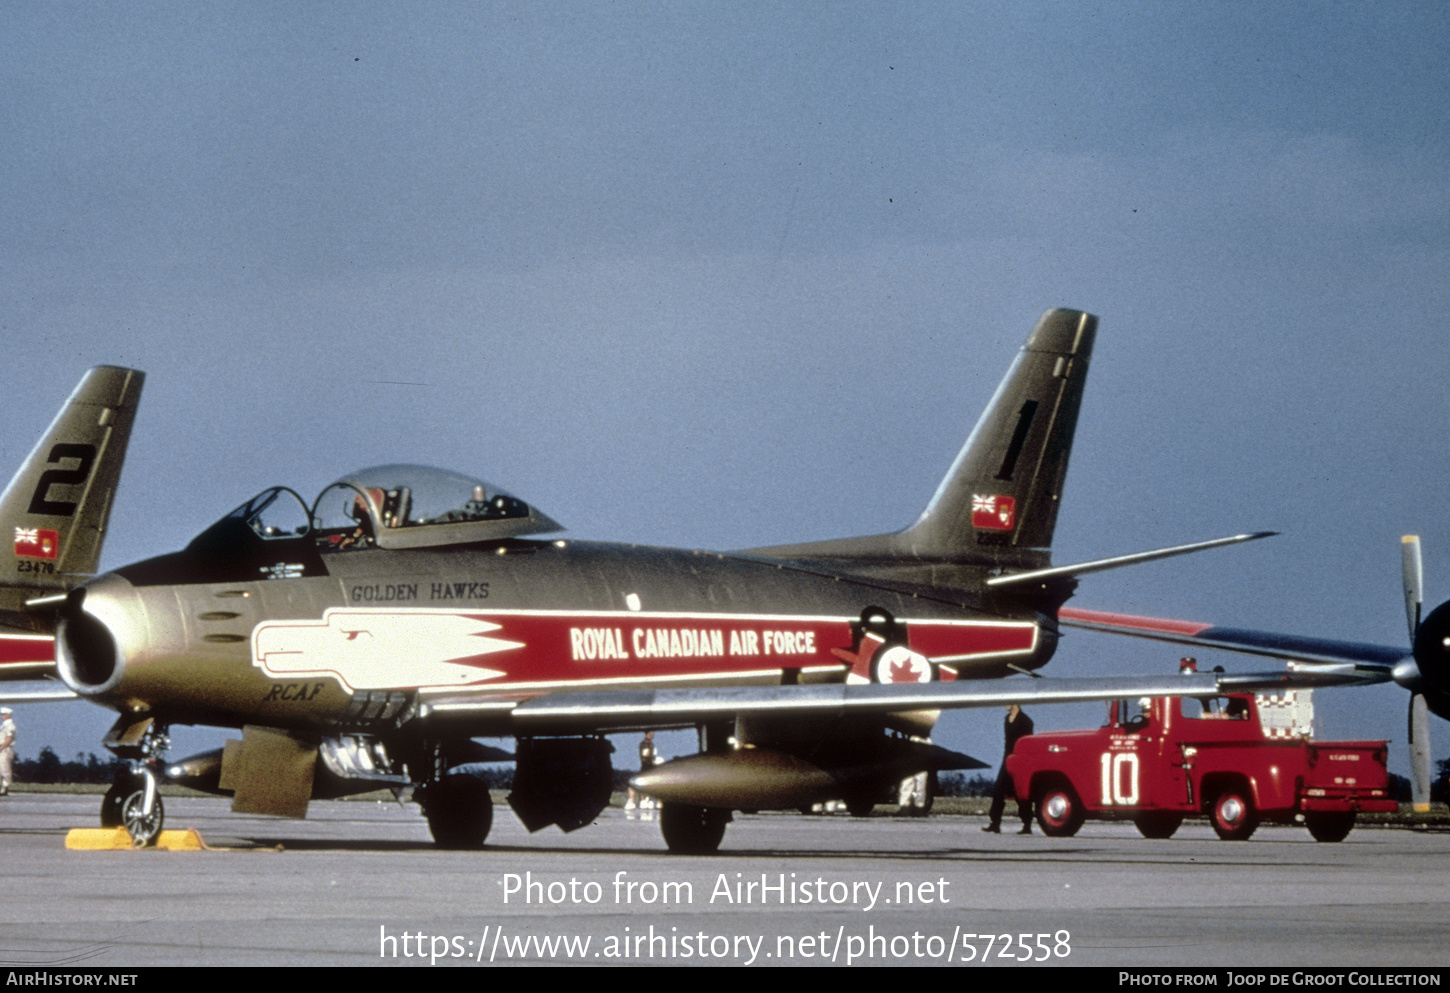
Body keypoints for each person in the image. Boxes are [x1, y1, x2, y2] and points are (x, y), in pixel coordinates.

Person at [984, 704, 1034, 834]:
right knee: (998, 790)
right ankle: (995, 823)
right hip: (1007, 759)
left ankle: (1027, 824)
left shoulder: (1026, 721)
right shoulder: (1006, 719)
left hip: (1019, 760)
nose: (1004, 704)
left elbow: (1027, 743)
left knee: (1019, 793)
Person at [626, 732, 657, 818]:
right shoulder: (646, 744)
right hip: (646, 766)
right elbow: (645, 756)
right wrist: (652, 761)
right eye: (651, 733)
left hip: (647, 766)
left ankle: (644, 800)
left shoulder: (649, 743)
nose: (653, 735)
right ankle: (641, 800)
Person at [0, 707, 15, 796]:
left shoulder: (10, 725)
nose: (2, 716)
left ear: (8, 715)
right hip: (2, 748)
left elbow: (9, 738)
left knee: (5, 770)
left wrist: (1, 748)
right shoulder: (4, 725)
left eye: (4, 714)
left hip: (5, 749)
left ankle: (5, 788)